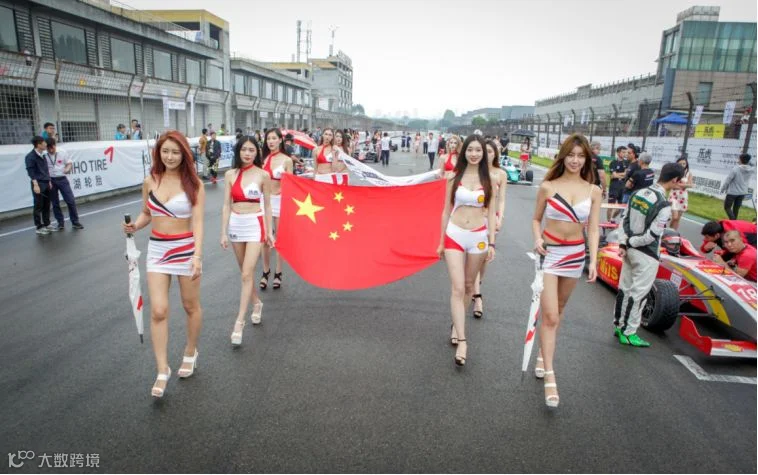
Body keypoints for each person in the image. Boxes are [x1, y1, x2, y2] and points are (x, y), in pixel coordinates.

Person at [121, 130, 205, 398]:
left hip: (185, 249)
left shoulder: (194, 184)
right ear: (158, 153)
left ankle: (190, 351)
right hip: (157, 250)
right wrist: (135, 225)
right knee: (158, 311)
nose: (170, 157)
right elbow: (147, 213)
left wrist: (197, 256)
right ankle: (161, 369)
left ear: (184, 154)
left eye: (175, 152)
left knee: (190, 306)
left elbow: (198, 222)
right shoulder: (150, 181)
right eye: (165, 151)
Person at [531, 134, 600, 407]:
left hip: (575, 255)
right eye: (571, 155)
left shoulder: (593, 191)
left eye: (580, 156)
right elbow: (536, 219)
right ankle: (550, 375)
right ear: (563, 156)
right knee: (550, 316)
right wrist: (537, 238)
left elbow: (593, 229)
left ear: (587, 159)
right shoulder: (548, 187)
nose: (575, 160)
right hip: (550, 254)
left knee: (558, 311)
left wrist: (593, 261)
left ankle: (542, 355)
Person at [437, 135, 497, 368]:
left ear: (483, 153)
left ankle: (457, 323)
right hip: (455, 233)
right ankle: (462, 341)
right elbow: (445, 211)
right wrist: (441, 242)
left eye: (478, 150)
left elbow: (491, 214)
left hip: (478, 238)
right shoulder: (454, 177)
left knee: (470, 286)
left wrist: (492, 243)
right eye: (470, 150)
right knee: (458, 287)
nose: (474, 154)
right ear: (464, 152)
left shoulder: (490, 180)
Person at [614, 163, 683, 348]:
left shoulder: (637, 193)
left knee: (624, 289)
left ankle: (619, 326)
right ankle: (629, 332)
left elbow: (624, 220)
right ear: (674, 180)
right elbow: (652, 235)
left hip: (628, 249)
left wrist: (624, 242)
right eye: (680, 181)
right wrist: (632, 242)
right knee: (639, 294)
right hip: (646, 254)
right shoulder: (663, 204)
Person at [220, 136, 274, 346]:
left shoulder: (263, 175)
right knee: (245, 272)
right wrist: (223, 232)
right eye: (244, 149)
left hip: (254, 224)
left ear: (257, 152)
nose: (248, 153)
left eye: (252, 150)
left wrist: (269, 231)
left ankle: (239, 322)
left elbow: (267, 205)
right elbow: (226, 205)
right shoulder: (230, 174)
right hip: (236, 225)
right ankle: (256, 303)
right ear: (238, 151)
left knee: (246, 273)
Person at [471, 140, 508, 320]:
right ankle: (477, 297)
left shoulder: (501, 174)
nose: (487, 155)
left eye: (490, 151)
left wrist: (500, 217)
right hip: (476, 218)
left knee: (485, 257)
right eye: (484, 151)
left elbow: (502, 199)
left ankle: (477, 282)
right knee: (475, 256)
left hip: (491, 219)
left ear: (495, 154)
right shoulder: (475, 171)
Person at [259, 129, 293, 291]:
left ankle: (278, 272)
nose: (271, 141)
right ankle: (265, 271)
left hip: (280, 201)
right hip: (264, 201)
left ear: (280, 140)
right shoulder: (262, 158)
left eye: (274, 138)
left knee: (279, 239)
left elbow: (292, 183)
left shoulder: (287, 160)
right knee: (265, 238)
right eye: (268, 139)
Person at [45, 138, 83, 230]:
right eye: (48, 149)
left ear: (55, 145)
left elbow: (69, 163)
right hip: (50, 180)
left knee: (70, 200)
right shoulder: (44, 155)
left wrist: (67, 169)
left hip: (62, 179)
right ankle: (60, 223)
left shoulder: (62, 152)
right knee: (55, 203)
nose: (51, 150)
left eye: (52, 148)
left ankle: (75, 222)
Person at [25, 136, 53, 235]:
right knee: (38, 205)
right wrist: (35, 184)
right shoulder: (30, 156)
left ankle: (47, 224)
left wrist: (49, 181)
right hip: (38, 183)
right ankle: (39, 226)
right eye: (44, 143)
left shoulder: (43, 155)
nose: (46, 144)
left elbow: (46, 169)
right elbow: (30, 171)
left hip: (46, 182)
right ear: (38, 144)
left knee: (46, 204)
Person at [720, 153, 753, 220]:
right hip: (742, 192)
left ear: (740, 160)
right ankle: (734, 223)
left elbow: (728, 180)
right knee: (736, 209)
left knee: (727, 207)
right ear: (748, 161)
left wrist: (723, 189)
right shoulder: (751, 170)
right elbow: (750, 164)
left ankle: (733, 221)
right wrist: (746, 161)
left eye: (739, 159)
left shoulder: (736, 169)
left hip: (732, 192)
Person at [668, 155, 694, 230]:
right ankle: (669, 231)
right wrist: (684, 185)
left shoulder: (688, 173)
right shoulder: (674, 172)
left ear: (686, 164)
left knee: (678, 218)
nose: (682, 165)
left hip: (683, 197)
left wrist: (679, 185)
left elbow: (690, 185)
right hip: (673, 196)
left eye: (684, 164)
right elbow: (672, 185)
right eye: (680, 163)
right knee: (674, 217)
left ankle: (673, 233)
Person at [607, 146, 628, 221]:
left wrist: (617, 175)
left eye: (625, 152)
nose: (625, 154)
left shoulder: (626, 162)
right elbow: (613, 175)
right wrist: (622, 175)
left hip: (622, 187)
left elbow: (626, 174)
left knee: (620, 207)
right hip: (614, 187)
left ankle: (612, 219)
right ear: (618, 153)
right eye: (623, 152)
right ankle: (608, 223)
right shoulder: (613, 163)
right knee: (610, 206)